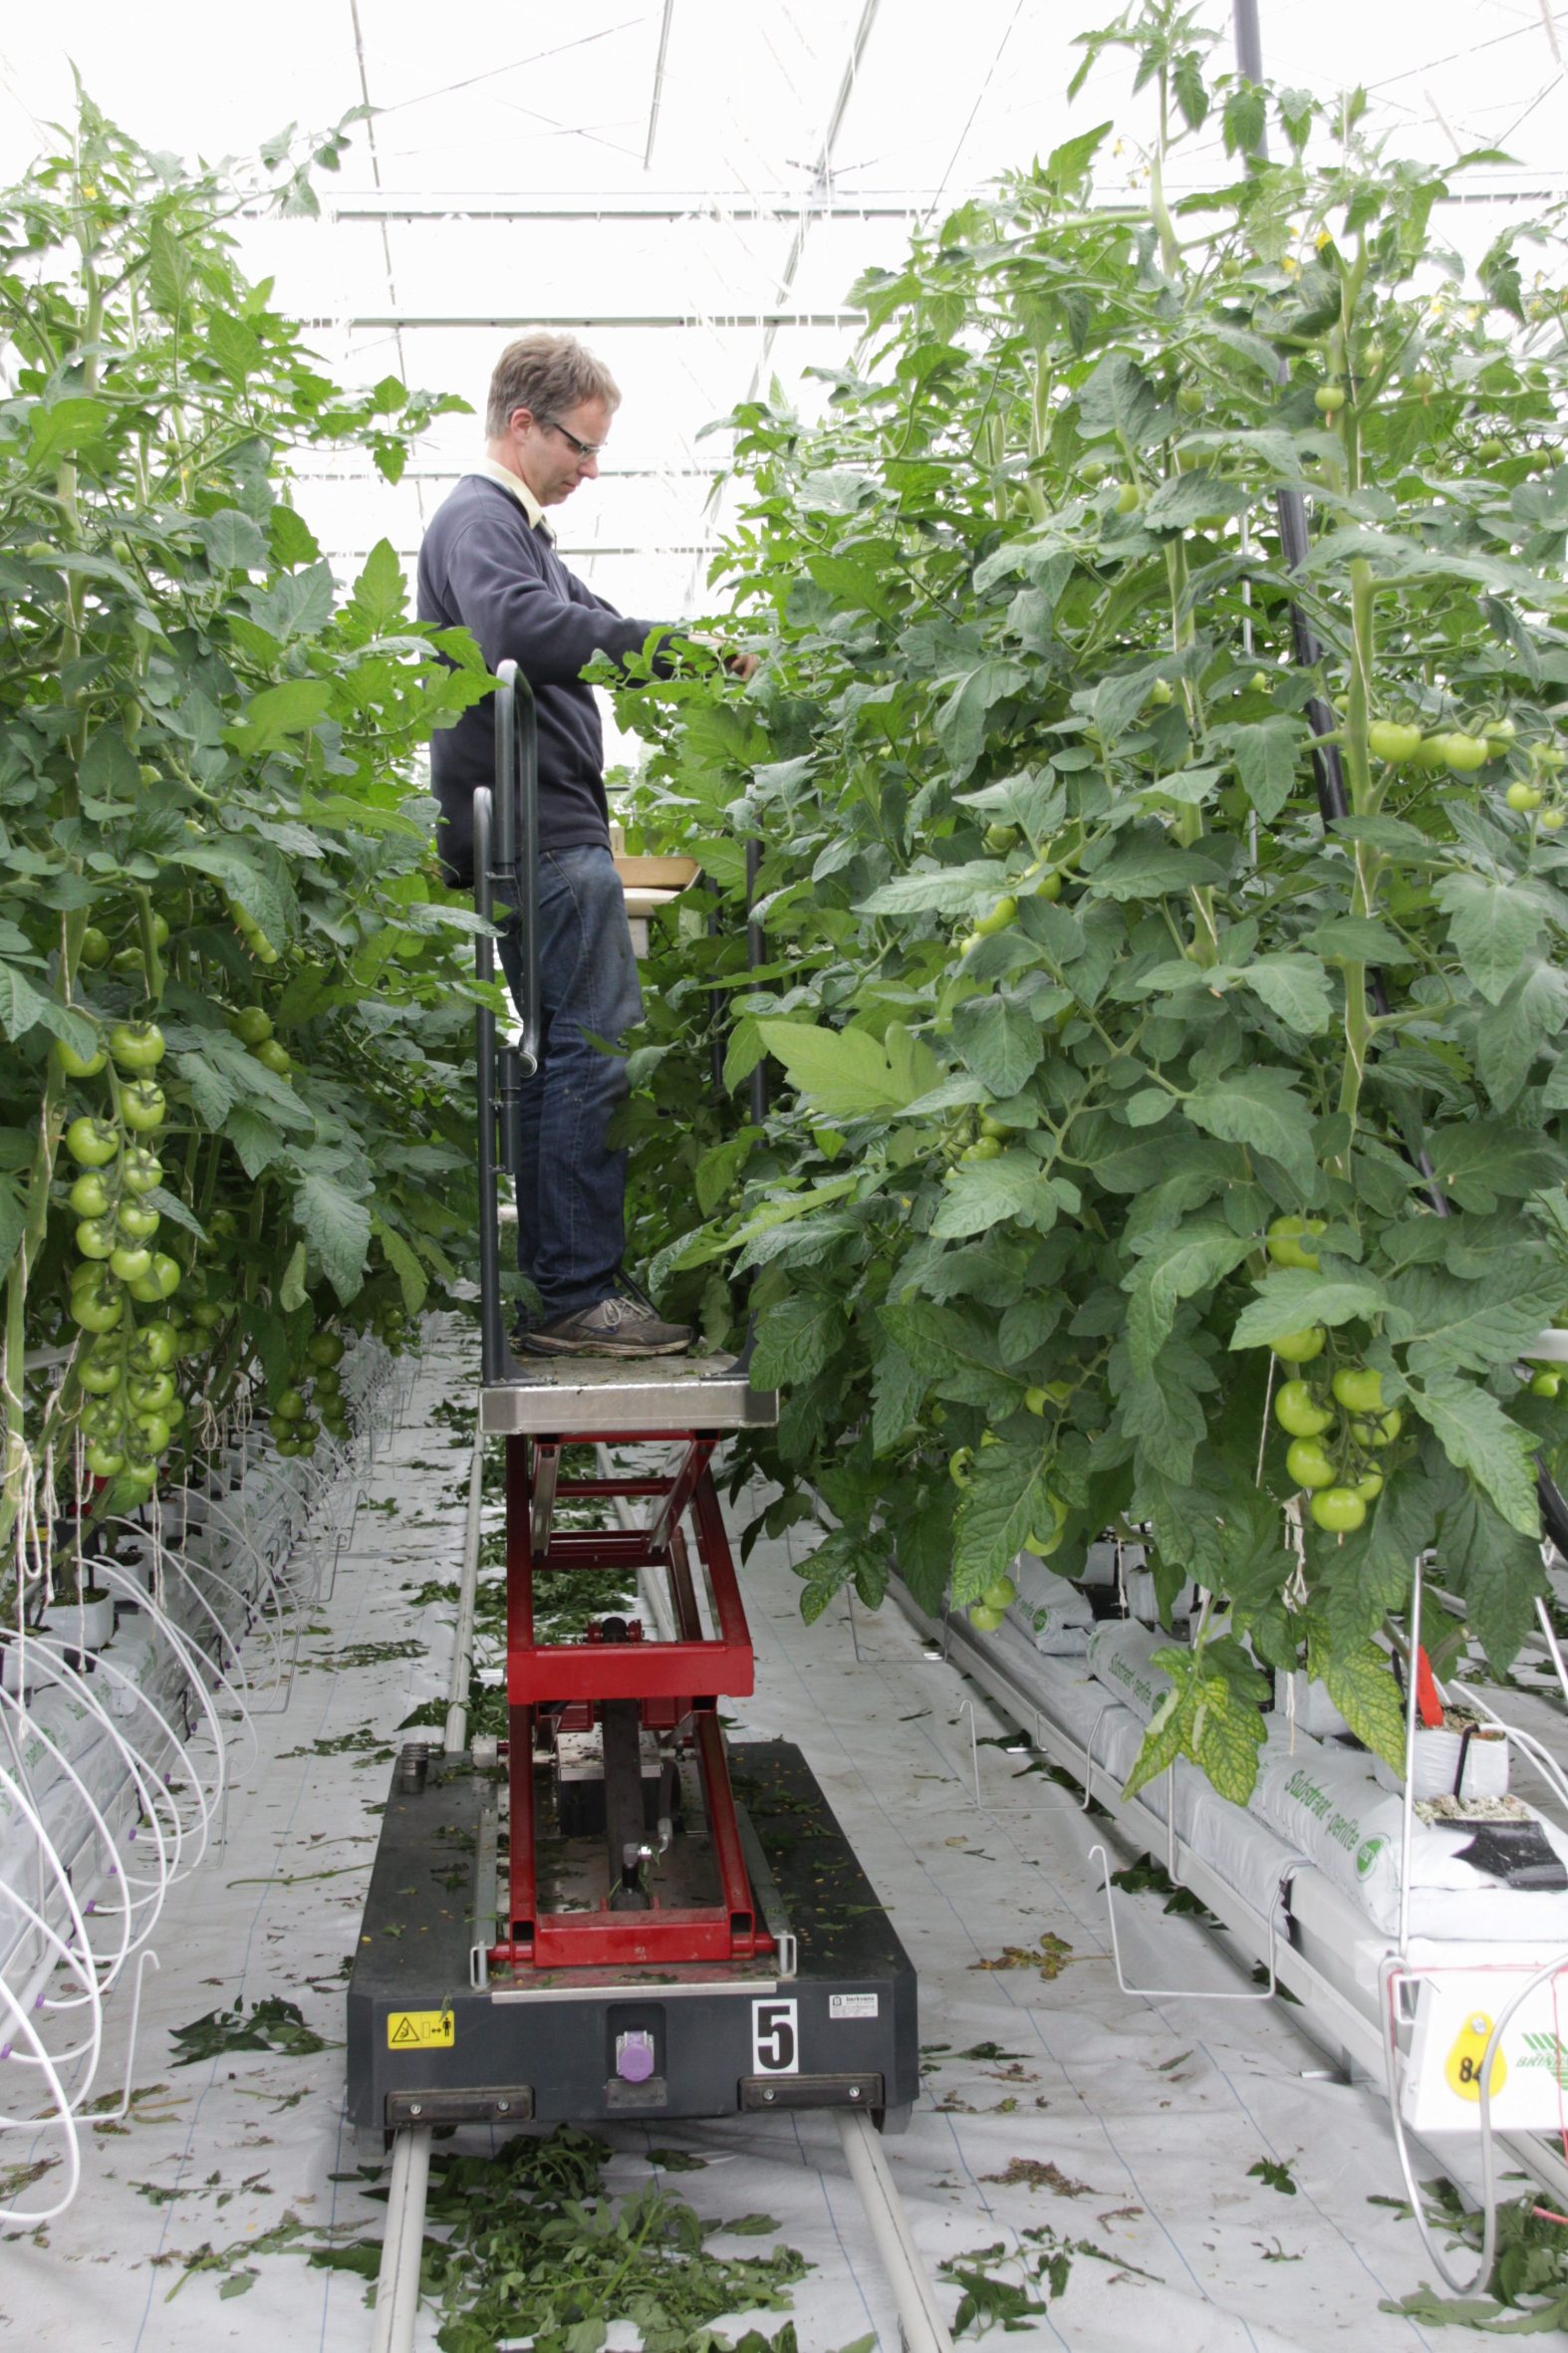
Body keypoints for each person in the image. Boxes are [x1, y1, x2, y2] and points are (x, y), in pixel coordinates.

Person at [419, 332, 713, 1357]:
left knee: (557, 1055)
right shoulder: (479, 520)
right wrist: (658, 653)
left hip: (538, 833)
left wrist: (690, 657)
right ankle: (581, 1291)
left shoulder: (522, 534)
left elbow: (591, 621)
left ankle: (565, 1291)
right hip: (540, 836)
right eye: (581, 447)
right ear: (520, 423)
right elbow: (518, 629)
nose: (590, 468)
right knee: (591, 1047)